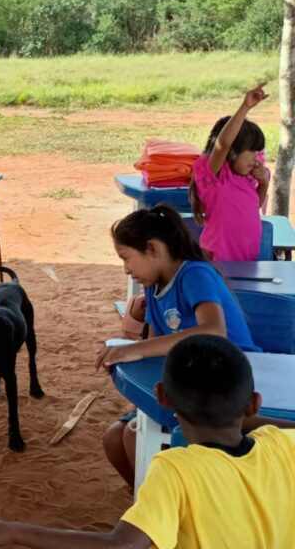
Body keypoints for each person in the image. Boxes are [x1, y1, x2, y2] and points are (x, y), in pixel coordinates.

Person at [0, 335, 295, 549]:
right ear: (254, 404)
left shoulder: (176, 469)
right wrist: (236, 410)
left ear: (161, 396)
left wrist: (12, 530)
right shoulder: (282, 446)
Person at [96, 204, 259, 486]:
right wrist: (135, 350)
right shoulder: (153, 285)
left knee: (135, 437)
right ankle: (155, 508)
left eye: (127, 258)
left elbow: (214, 330)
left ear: (152, 249)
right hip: (193, 382)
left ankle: (172, 517)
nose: (126, 270)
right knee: (114, 439)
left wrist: (135, 349)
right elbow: (159, 344)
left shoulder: (194, 274)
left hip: (229, 382)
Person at [190, 83, 270, 261]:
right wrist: (245, 107)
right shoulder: (216, 178)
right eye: (251, 151)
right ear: (232, 152)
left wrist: (264, 183)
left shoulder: (245, 179)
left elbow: (253, 206)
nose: (255, 158)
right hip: (219, 264)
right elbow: (223, 144)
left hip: (245, 263)